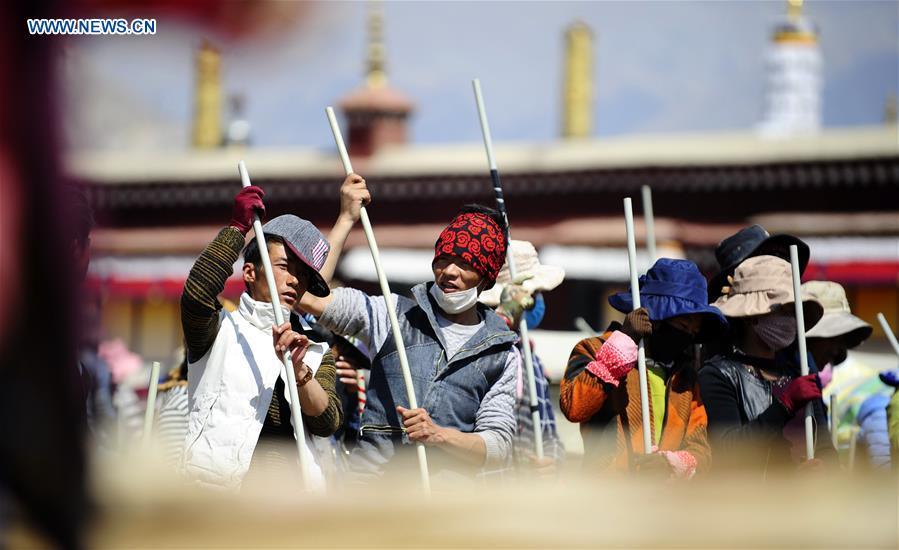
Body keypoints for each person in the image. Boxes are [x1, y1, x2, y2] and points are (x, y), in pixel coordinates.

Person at [301, 205, 519, 483]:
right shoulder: (391, 314)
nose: (449, 271)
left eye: (465, 263)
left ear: (486, 277)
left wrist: (438, 435)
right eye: (443, 258)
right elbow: (310, 297)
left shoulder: (501, 353)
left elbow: (497, 446)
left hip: (442, 508)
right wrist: (346, 218)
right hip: (368, 494)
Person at [180, 181, 347, 490]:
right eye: (284, 266)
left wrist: (300, 374)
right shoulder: (221, 330)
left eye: (303, 275)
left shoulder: (313, 347)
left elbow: (327, 421)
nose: (294, 280)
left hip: (290, 500)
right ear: (250, 273)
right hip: (215, 494)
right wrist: (236, 229)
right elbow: (196, 295)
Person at [560, 259, 726, 478]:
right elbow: (574, 406)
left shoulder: (685, 377)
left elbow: (700, 449)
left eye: (694, 332)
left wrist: (670, 464)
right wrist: (625, 342)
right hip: (604, 497)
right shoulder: (593, 349)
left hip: (660, 502)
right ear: (655, 318)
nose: (688, 336)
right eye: (684, 326)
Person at [699, 255, 832, 472]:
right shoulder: (718, 375)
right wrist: (785, 405)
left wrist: (823, 467)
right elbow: (727, 450)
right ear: (751, 316)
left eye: (792, 312)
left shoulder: (799, 376)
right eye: (781, 311)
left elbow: (826, 447)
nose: (789, 320)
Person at [478, 239, 566, 473]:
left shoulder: (531, 359)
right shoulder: (476, 353)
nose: (538, 302)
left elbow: (549, 433)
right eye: (534, 295)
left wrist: (552, 461)